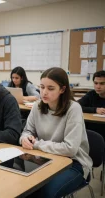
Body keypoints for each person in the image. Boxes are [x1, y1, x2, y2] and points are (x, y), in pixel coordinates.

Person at [20, 67, 92, 198]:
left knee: (46, 192)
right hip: (44, 158)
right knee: (24, 186)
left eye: (50, 88)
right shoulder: (37, 106)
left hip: (74, 162)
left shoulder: (73, 109)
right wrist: (24, 138)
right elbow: (27, 131)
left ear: (62, 89)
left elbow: (69, 149)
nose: (44, 92)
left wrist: (36, 144)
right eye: (41, 87)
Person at [78, 70, 105, 139]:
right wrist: (95, 110)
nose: (98, 86)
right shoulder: (91, 94)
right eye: (96, 83)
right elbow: (77, 105)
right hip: (91, 130)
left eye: (102, 83)